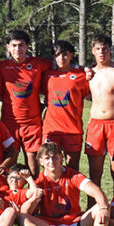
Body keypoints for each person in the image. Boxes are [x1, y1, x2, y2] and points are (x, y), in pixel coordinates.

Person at [18, 141, 114, 226]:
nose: (51, 161)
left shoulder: (73, 175)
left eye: (55, 157)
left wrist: (103, 208)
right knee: (21, 217)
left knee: (103, 205)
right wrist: (34, 198)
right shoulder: (39, 182)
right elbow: (25, 212)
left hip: (75, 223)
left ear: (61, 158)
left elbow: (96, 191)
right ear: (40, 161)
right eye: (47, 158)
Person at [0, 29, 53, 169]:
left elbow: (62, 65)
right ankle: (11, 191)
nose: (17, 49)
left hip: (32, 123)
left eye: (21, 45)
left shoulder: (39, 64)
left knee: (33, 162)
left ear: (27, 46)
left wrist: (81, 68)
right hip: (9, 122)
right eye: (14, 45)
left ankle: (34, 189)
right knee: (8, 161)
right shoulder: (0, 66)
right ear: (8, 47)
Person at [84, 35, 114, 188]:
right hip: (95, 125)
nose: (101, 52)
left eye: (105, 48)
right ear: (92, 51)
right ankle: (94, 209)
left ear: (110, 49)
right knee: (94, 174)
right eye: (98, 49)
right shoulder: (89, 73)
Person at [40, 40, 90, 171]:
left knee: (72, 169)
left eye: (65, 54)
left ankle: (71, 192)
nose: (61, 58)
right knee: (49, 166)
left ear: (71, 55)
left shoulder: (80, 76)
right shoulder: (47, 76)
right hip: (51, 129)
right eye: (57, 55)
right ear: (53, 57)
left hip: (72, 129)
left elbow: (89, 95)